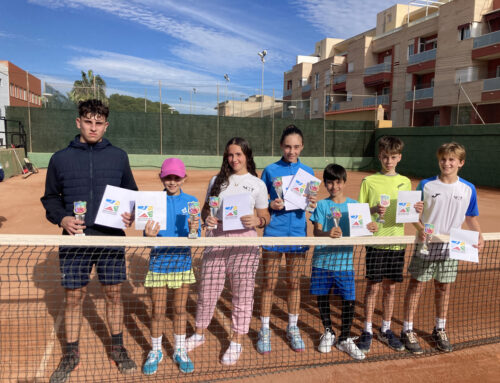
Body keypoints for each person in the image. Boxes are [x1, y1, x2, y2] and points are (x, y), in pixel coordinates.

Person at [41, 99, 138, 383]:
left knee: (114, 294)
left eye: (99, 123)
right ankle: (71, 353)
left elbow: (131, 194)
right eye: (88, 122)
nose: (93, 128)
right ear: (78, 122)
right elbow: (50, 198)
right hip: (75, 240)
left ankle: (117, 347)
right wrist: (62, 219)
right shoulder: (60, 158)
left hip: (111, 238)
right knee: (73, 298)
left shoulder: (119, 156)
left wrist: (129, 213)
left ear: (106, 125)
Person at [185, 137, 270, 365]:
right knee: (208, 290)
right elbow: (205, 211)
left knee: (243, 294)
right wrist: (208, 218)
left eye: (239, 154)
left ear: (247, 156)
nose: (234, 159)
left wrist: (258, 220)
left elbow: (265, 216)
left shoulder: (257, 184)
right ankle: (199, 334)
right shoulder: (216, 180)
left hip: (245, 240)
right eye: (230, 155)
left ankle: (236, 341)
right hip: (217, 237)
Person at [400, 142, 484, 354]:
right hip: (427, 243)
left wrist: (479, 234)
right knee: (417, 285)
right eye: (443, 159)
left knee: (444, 287)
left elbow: (471, 216)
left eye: (451, 159)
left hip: (453, 244)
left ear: (461, 163)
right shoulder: (426, 185)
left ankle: (440, 328)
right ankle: (407, 329)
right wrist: (419, 228)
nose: (446, 163)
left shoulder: (468, 188)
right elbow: (410, 211)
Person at [357, 136, 423, 354]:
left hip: (397, 244)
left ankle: (385, 328)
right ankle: (367, 329)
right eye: (385, 157)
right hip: (376, 243)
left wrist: (417, 212)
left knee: (390, 288)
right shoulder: (369, 182)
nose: (388, 161)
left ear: (399, 158)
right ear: (380, 156)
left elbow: (409, 214)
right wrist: (374, 211)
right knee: (372, 287)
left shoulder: (405, 182)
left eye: (393, 157)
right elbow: (359, 214)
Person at [257, 125, 317, 354]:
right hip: (273, 232)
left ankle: (292, 327)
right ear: (281, 146)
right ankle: (264, 328)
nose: (291, 151)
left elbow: (310, 203)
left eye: (296, 147)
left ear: (302, 147)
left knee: (294, 283)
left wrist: (312, 203)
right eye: (287, 146)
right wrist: (271, 206)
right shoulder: (270, 170)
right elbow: (262, 205)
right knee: (269, 283)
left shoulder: (308, 171)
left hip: (298, 233)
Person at [310, 164, 378, 360]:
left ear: (344, 182)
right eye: (330, 182)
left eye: (337, 182)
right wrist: (327, 233)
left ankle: (345, 338)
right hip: (322, 261)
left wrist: (371, 226)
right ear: (325, 184)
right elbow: (316, 231)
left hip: (344, 263)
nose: (334, 186)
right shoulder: (321, 206)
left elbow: (364, 229)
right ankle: (329, 331)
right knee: (322, 297)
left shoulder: (355, 206)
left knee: (348, 300)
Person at [141, 158, 200, 375]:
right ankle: (156, 350)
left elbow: (196, 236)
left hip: (182, 264)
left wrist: (194, 229)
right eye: (168, 177)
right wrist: (148, 234)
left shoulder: (191, 201)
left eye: (176, 177)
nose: (172, 181)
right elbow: (145, 235)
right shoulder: (152, 201)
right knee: (157, 311)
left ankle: (179, 350)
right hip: (158, 264)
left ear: (184, 178)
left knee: (179, 309)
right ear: (161, 178)